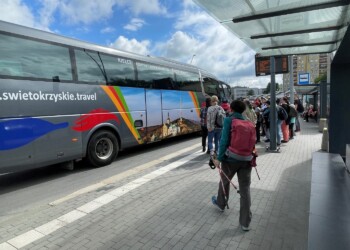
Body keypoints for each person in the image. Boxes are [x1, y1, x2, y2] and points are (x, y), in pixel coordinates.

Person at [211, 100, 254, 231]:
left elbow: (224, 140)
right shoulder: (249, 122)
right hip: (247, 159)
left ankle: (221, 203)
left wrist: (218, 158)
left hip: (231, 159)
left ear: (231, 108)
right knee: (245, 189)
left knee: (225, 181)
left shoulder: (229, 120)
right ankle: (245, 223)